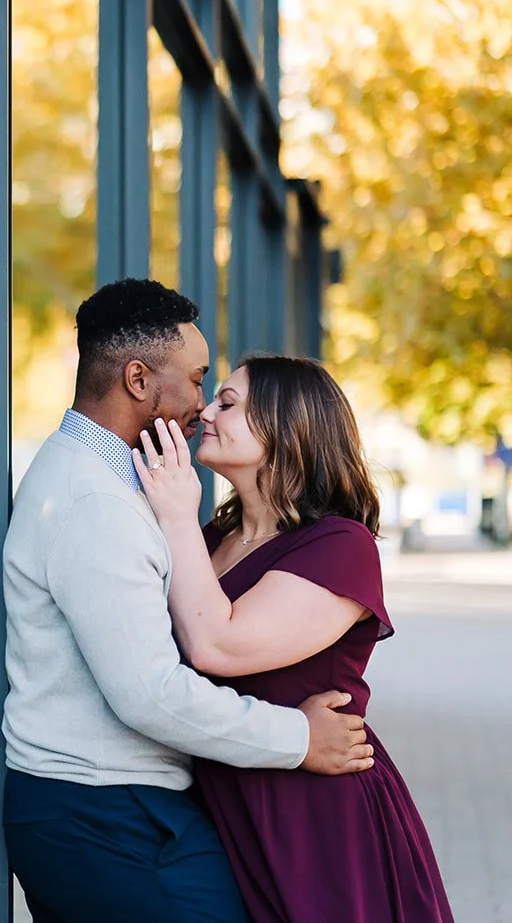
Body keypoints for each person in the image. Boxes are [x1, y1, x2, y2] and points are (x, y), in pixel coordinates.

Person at [2, 278, 376, 923]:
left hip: (142, 808)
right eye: (201, 380)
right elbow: (150, 691)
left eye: (219, 394)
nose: (202, 406)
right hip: (106, 810)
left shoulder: (120, 488)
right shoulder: (98, 501)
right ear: (139, 381)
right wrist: (299, 736)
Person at [136, 356, 455, 922]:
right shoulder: (214, 538)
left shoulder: (340, 545)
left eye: (228, 404)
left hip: (315, 816)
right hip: (224, 802)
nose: (206, 410)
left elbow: (217, 646)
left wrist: (176, 516)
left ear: (287, 426)